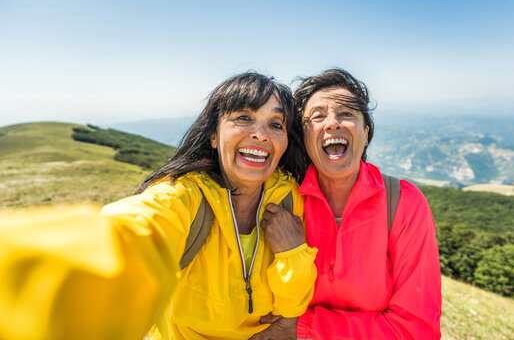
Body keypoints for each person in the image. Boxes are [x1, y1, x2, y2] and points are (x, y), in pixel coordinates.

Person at [0, 72, 318, 340]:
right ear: (213, 135)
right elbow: (128, 234)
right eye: (244, 118)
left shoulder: (288, 196)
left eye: (276, 124)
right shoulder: (182, 197)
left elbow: (290, 307)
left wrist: (293, 261)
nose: (261, 134)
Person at [253, 68, 442, 339]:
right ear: (304, 138)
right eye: (317, 116)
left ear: (366, 133)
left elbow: (416, 329)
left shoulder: (404, 203)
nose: (332, 123)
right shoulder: (283, 201)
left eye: (346, 114)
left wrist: (301, 326)